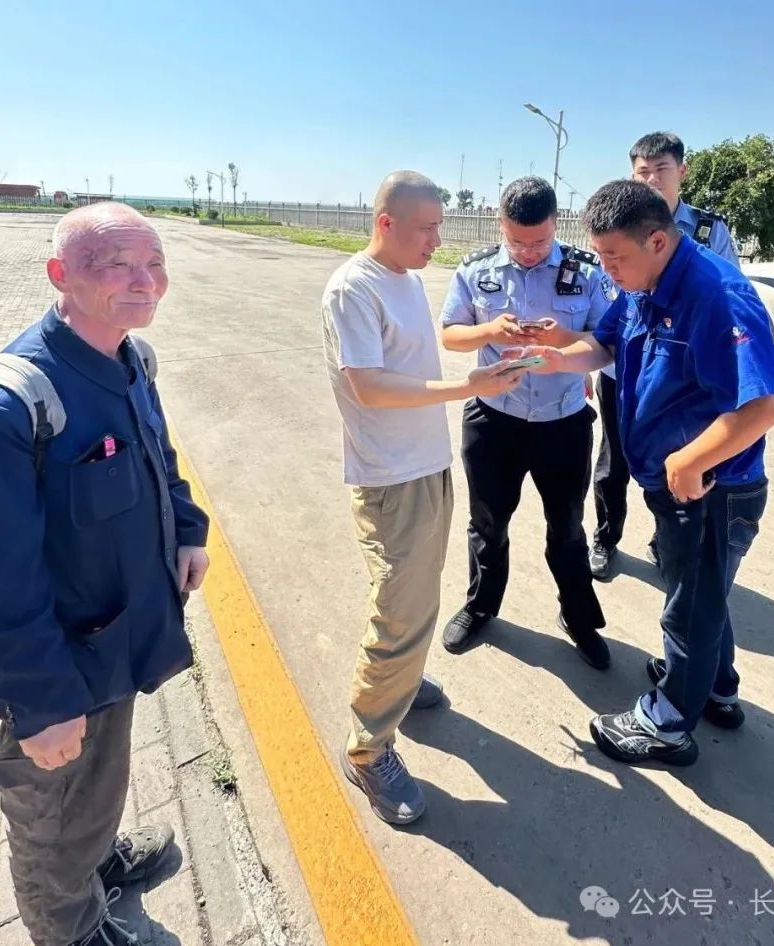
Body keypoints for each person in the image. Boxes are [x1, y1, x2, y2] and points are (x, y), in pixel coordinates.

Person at [0, 202, 210, 945]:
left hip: (119, 638)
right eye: (117, 266)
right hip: (58, 667)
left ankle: (97, 858)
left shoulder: (130, 358)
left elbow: (159, 459)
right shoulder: (6, 405)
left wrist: (188, 529)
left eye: (154, 263)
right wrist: (41, 702)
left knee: (102, 774)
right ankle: (72, 929)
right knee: (50, 812)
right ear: (61, 275)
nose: (145, 281)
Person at [514, 180, 774, 766]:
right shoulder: (644, 283)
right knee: (701, 594)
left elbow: (765, 404)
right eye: (601, 255)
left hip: (714, 487)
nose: (606, 269)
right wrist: (562, 357)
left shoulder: (716, 295)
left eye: (614, 257)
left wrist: (690, 461)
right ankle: (716, 688)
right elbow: (607, 343)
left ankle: (667, 724)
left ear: (658, 240)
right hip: (676, 485)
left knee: (687, 608)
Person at [321, 170, 524, 826]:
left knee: (421, 596)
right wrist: (468, 388)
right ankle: (367, 747)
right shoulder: (353, 289)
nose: (438, 238)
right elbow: (370, 386)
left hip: (426, 464)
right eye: (427, 228)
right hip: (390, 477)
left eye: (440, 226)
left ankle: (400, 685)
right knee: (398, 612)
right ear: (386, 223)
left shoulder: (405, 279)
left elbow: (412, 363)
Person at [438, 176, 613, 669]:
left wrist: (562, 344)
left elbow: (607, 343)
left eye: (540, 240)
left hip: (564, 422)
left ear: (557, 223)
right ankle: (481, 606)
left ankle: (578, 618)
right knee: (487, 523)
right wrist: (489, 330)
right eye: (518, 241)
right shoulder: (476, 270)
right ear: (501, 225)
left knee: (568, 527)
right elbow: (450, 334)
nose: (530, 252)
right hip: (494, 421)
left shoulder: (586, 271)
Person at [590, 132, 741, 579]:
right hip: (627, 370)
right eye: (643, 171)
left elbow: (727, 304)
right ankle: (607, 537)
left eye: (662, 169)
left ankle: (668, 540)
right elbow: (611, 310)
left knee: (677, 467)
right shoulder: (619, 230)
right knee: (615, 463)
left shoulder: (708, 241)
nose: (652, 179)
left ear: (682, 172)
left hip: (681, 379)